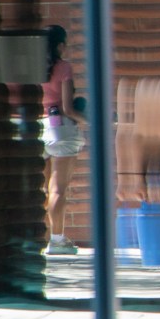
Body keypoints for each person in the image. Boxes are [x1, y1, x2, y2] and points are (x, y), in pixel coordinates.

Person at [41, 25, 88, 255]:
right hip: (61, 129)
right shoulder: (64, 68)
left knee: (45, 189)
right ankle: (57, 240)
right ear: (60, 45)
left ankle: (45, 237)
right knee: (58, 188)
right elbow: (68, 108)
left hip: (40, 128)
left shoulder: (34, 67)